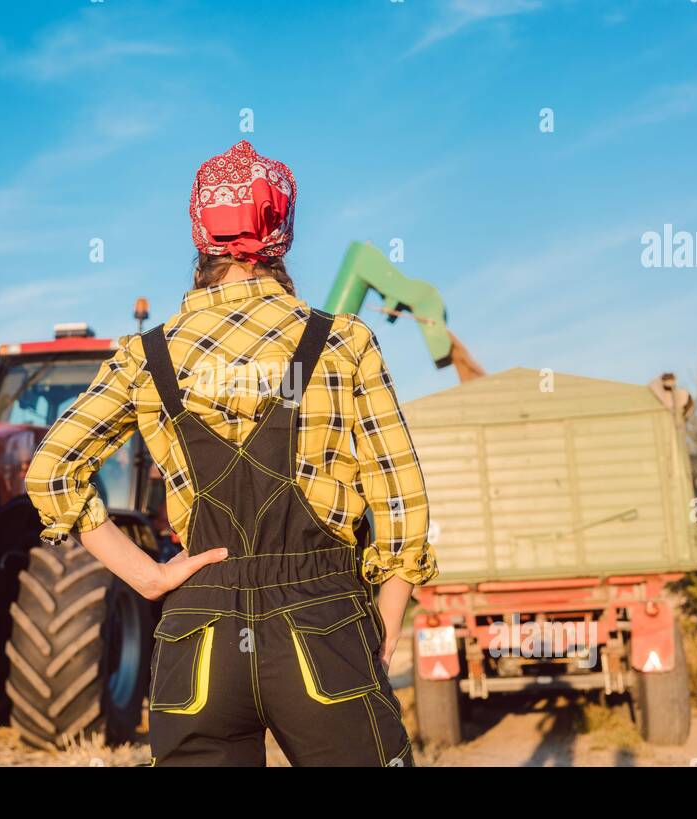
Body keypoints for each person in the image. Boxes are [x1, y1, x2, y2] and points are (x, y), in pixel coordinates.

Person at [26, 139, 438, 766]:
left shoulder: (146, 356)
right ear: (283, 233)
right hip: (322, 620)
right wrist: (382, 623)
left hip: (198, 633)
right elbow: (400, 495)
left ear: (200, 235)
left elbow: (52, 472)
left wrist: (149, 576)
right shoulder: (342, 341)